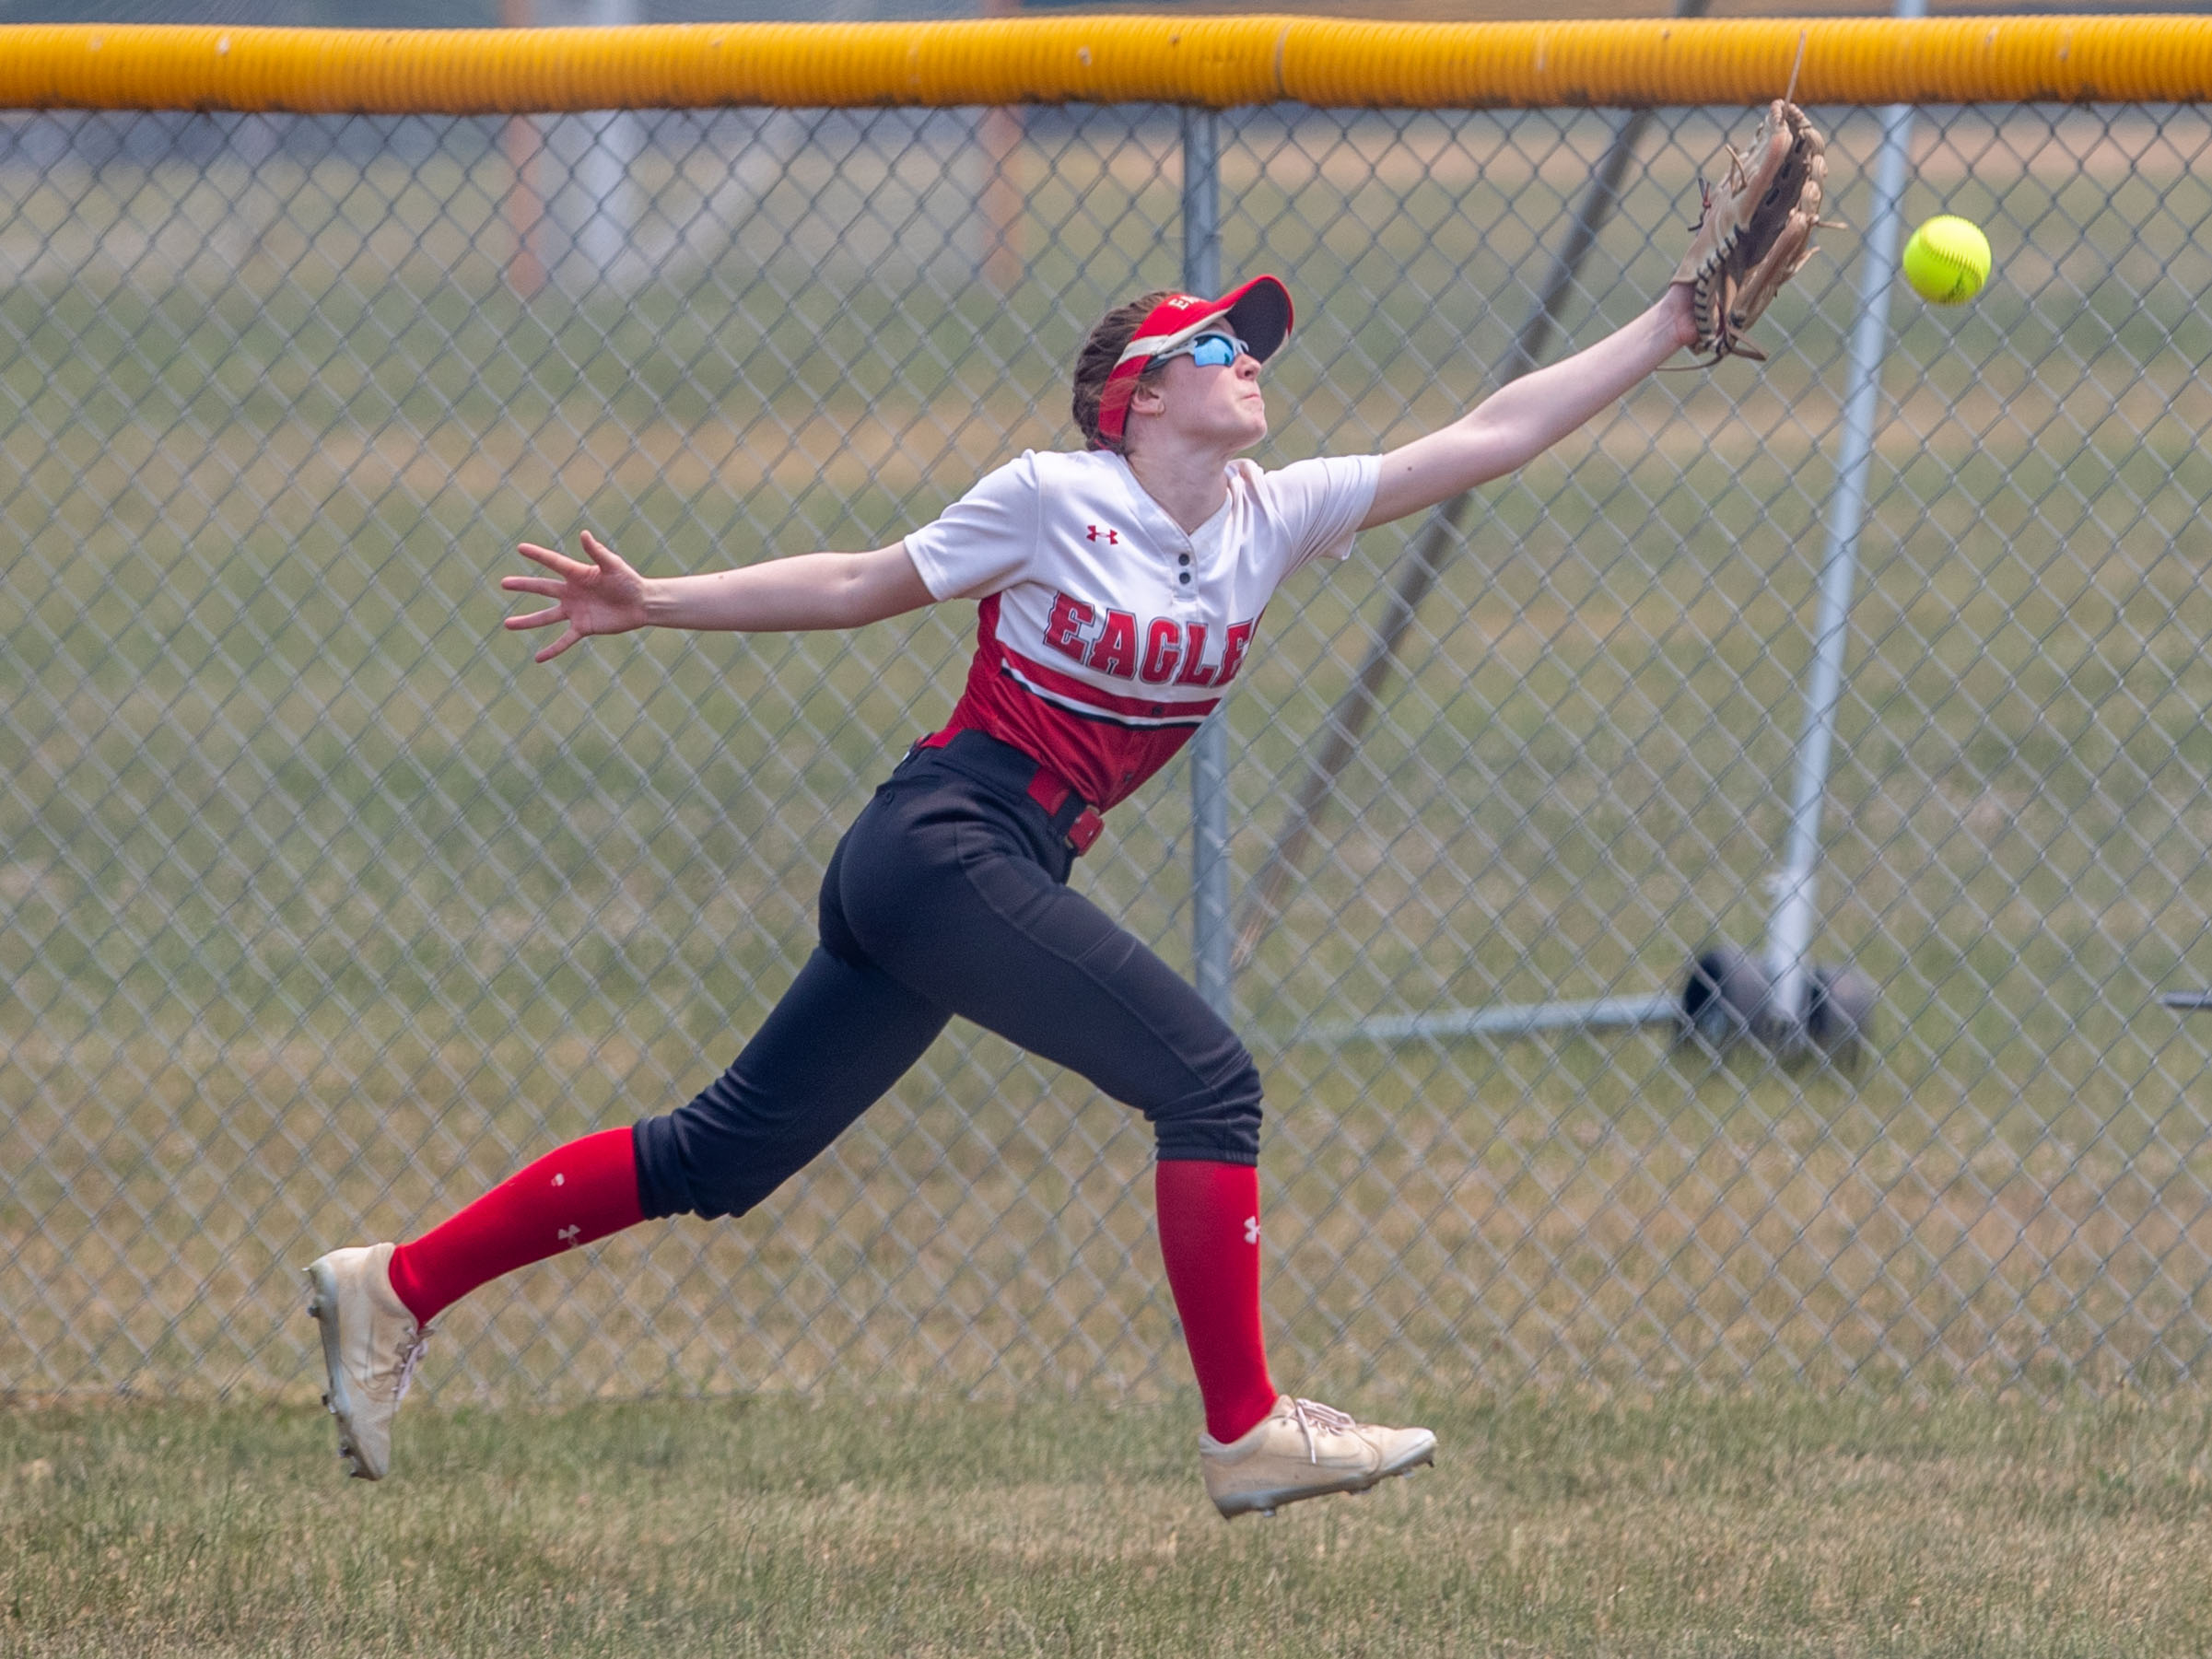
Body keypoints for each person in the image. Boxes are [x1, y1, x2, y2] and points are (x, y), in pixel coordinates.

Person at [306, 269, 1706, 1517]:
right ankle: (1246, 1430)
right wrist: (654, 597)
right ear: (1137, 395)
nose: (1251, 358)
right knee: (1207, 1082)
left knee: (718, 1155)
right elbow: (862, 581)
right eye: (1219, 343)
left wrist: (1671, 323)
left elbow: (1490, 436)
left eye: (1252, 342)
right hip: (937, 846)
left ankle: (398, 1284)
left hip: (981, 870)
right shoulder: (1053, 494)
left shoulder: (1268, 519)